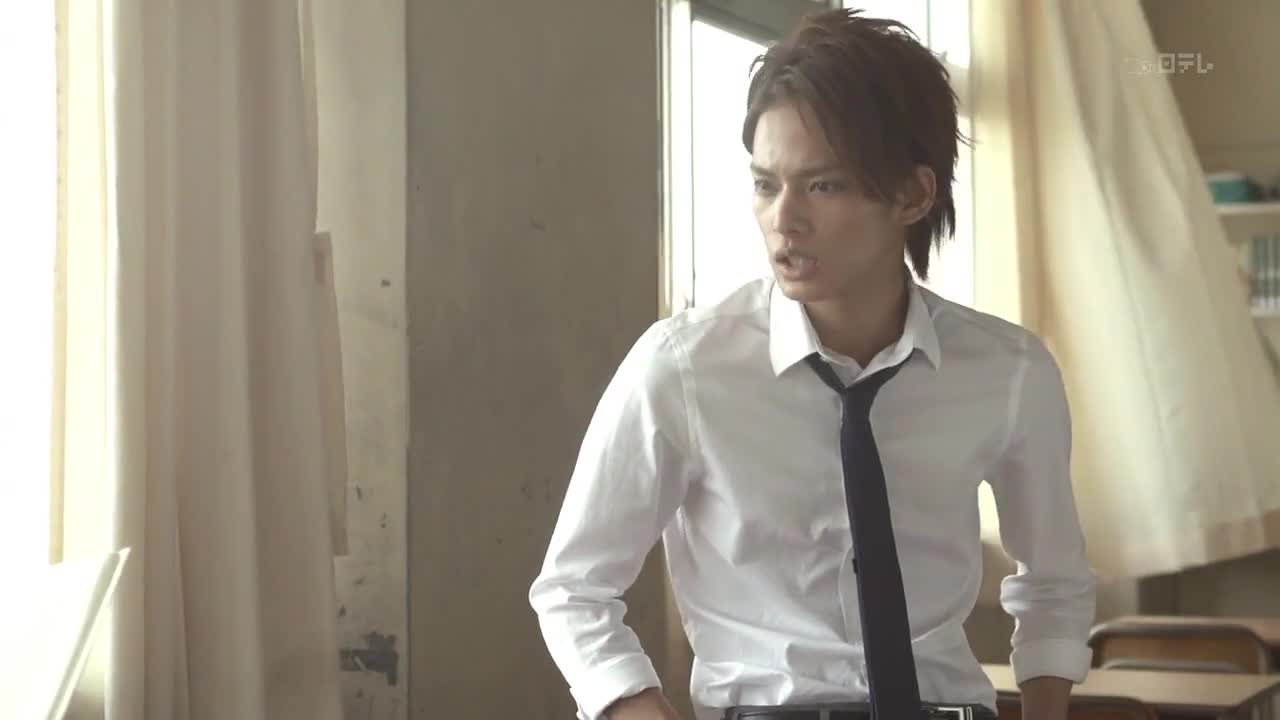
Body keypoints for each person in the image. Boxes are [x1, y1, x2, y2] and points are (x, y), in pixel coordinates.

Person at [530, 8, 1096, 720]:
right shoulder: (684, 368)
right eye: (766, 184)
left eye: (822, 186)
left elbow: (1053, 583)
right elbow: (574, 589)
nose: (784, 220)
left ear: (913, 195)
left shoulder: (1007, 371)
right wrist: (638, 708)